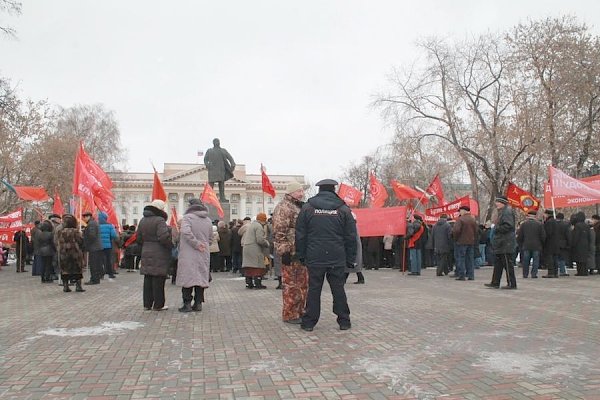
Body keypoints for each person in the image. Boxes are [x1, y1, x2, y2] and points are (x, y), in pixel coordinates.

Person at [295, 179, 358, 332]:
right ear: (333, 190)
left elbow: (300, 235)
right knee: (338, 289)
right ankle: (344, 321)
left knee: (314, 289)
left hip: (314, 256)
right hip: (337, 256)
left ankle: (309, 322)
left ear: (319, 190)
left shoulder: (308, 208)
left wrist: (301, 255)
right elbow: (351, 236)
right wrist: (351, 258)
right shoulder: (343, 209)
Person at [272, 181, 308, 324]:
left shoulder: (296, 206)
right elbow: (279, 231)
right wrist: (284, 251)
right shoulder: (284, 207)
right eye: (299, 191)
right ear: (291, 192)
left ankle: (299, 311)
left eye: (302, 191)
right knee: (291, 286)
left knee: (301, 284)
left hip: (299, 252)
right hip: (291, 253)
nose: (302, 193)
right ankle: (290, 314)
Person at [176, 199, 212, 312]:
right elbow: (211, 237)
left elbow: (185, 232)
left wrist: (196, 244)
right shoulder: (208, 220)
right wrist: (204, 245)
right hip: (203, 252)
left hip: (189, 252)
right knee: (200, 278)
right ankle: (198, 303)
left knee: (188, 277)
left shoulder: (187, 218)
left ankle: (186, 304)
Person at [137, 199, 173, 311]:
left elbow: (138, 238)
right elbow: (163, 237)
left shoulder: (142, 220)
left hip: (146, 250)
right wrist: (169, 245)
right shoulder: (160, 220)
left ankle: (147, 304)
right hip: (159, 252)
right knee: (158, 278)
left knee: (148, 277)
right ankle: (158, 304)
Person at [485, 196, 517, 289]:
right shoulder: (502, 212)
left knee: (507, 264)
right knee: (498, 264)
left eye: (498, 202)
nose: (496, 204)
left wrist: (495, 228)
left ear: (503, 202)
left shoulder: (507, 212)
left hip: (505, 242)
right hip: (501, 242)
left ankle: (512, 283)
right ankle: (495, 282)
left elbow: (508, 226)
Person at [56, 214, 86, 293]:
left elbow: (56, 241)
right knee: (77, 269)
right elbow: (81, 241)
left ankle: (66, 286)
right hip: (74, 253)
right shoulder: (76, 231)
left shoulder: (60, 232)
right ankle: (78, 286)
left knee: (65, 269)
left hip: (63, 253)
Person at [241, 213, 270, 289]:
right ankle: (258, 283)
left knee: (249, 266)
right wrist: (267, 243)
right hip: (254, 249)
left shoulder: (251, 225)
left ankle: (249, 283)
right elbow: (260, 240)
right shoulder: (259, 226)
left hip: (246, 247)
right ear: (263, 220)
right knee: (257, 266)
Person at [516, 210, 546, 279]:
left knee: (526, 261)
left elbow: (520, 236)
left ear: (528, 216)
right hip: (537, 245)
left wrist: (521, 244)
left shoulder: (523, 224)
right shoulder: (539, 224)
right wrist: (541, 243)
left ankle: (525, 274)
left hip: (526, 245)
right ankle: (534, 274)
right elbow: (543, 236)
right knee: (536, 260)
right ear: (535, 216)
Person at [452, 205, 478, 281]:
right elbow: (476, 231)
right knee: (470, 259)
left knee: (461, 258)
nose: (459, 212)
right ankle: (471, 275)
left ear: (463, 211)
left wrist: (455, 238)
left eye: (460, 211)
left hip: (461, 242)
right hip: (471, 242)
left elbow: (456, 231)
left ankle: (461, 275)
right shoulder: (473, 220)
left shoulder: (460, 219)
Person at [82, 211, 104, 285]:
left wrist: (86, 244)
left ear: (88, 216)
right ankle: (96, 278)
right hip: (96, 247)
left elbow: (92, 236)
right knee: (96, 264)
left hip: (94, 247)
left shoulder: (91, 224)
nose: (84, 219)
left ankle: (94, 279)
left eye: (84, 217)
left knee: (94, 264)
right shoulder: (93, 223)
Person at [98, 211, 118, 279]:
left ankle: (101, 274)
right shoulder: (110, 226)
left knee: (100, 260)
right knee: (108, 260)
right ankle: (110, 273)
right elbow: (114, 235)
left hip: (99, 245)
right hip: (108, 246)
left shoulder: (97, 226)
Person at [570, 211, 590, 276]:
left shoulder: (577, 225)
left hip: (579, 244)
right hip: (585, 244)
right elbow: (589, 236)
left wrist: (573, 244)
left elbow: (576, 236)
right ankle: (585, 271)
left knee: (579, 259)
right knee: (584, 259)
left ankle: (580, 272)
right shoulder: (587, 225)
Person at [542, 210, 560, 278]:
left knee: (550, 258)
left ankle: (551, 272)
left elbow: (548, 233)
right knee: (555, 258)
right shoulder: (554, 221)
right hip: (555, 242)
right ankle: (555, 272)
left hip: (550, 243)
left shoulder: (549, 222)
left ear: (547, 214)